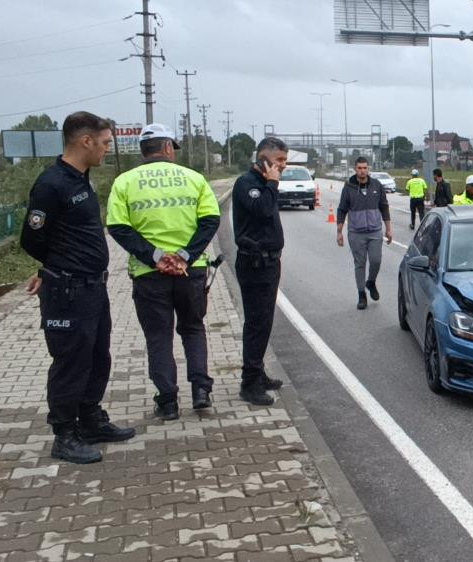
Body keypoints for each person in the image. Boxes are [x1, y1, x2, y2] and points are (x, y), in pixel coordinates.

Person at [19, 111, 134, 464]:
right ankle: (64, 434)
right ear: (85, 141)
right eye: (104, 143)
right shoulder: (51, 184)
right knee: (71, 362)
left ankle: (90, 420)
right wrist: (56, 268)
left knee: (98, 357)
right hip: (66, 291)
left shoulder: (81, 179)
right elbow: (32, 238)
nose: (106, 150)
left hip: (92, 290)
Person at [107, 123, 220, 420]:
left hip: (148, 274)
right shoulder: (194, 178)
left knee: (158, 337)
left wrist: (155, 257)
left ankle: (168, 401)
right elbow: (210, 221)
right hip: (190, 272)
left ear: (144, 151)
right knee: (193, 329)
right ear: (168, 147)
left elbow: (118, 227)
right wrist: (183, 256)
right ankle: (201, 392)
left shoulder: (124, 182)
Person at [232, 137, 289, 406]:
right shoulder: (248, 184)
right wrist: (273, 183)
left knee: (264, 322)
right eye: (278, 161)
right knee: (256, 323)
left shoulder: (264, 185)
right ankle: (249, 383)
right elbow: (263, 210)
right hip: (254, 264)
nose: (282, 166)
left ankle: (258, 372)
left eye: (284, 161)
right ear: (263, 159)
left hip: (269, 263)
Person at [337, 156, 392, 310]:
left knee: (376, 260)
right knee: (360, 264)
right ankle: (362, 295)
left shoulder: (377, 185)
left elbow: (384, 207)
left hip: (375, 231)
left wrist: (388, 228)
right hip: (356, 232)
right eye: (359, 168)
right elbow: (342, 209)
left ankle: (371, 282)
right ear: (355, 169)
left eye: (365, 168)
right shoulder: (348, 187)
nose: (362, 171)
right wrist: (339, 232)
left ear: (368, 169)